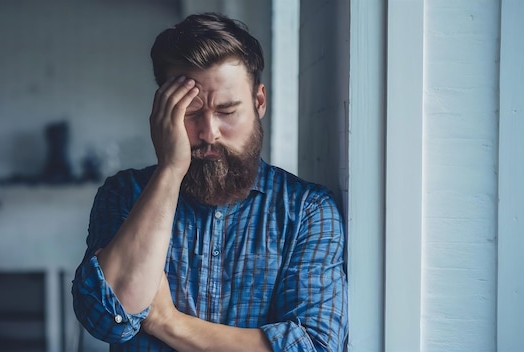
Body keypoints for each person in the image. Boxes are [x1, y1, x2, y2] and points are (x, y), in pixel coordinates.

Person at [72, 12, 348, 352]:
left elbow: (314, 346)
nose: (208, 133)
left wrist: (167, 322)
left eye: (227, 111)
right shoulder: (125, 195)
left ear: (259, 102)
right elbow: (106, 317)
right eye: (189, 113)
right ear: (163, 114)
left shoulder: (306, 211)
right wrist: (171, 168)